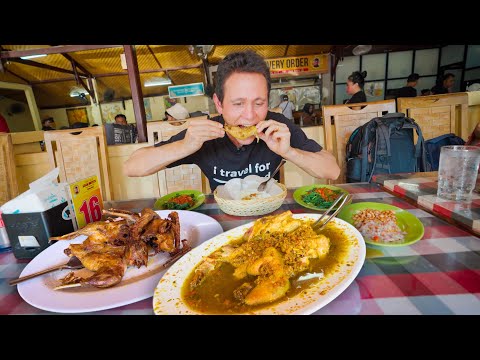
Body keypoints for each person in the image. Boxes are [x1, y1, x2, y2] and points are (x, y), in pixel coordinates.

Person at [123, 50, 340, 190]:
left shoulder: (276, 126)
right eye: (238, 104)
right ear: (219, 104)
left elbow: (332, 170)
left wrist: (288, 152)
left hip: (269, 221)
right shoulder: (207, 133)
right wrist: (184, 146)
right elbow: (132, 167)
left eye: (259, 102)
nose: (249, 115)